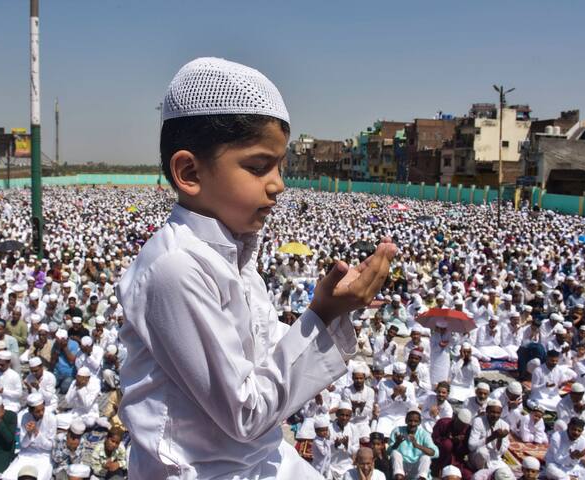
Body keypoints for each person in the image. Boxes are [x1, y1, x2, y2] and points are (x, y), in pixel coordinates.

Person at [116, 57, 396, 479]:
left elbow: (262, 359)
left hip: (260, 462)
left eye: (280, 166)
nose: (278, 184)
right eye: (258, 166)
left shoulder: (234, 256)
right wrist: (322, 316)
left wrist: (328, 309)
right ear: (189, 172)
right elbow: (246, 412)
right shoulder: (175, 268)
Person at [0, 393, 56, 480]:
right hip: (26, 454)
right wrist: (29, 434)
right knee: (9, 477)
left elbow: (50, 446)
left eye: (42, 409)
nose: (41, 413)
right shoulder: (24, 417)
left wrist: (36, 433)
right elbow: (23, 445)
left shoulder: (51, 418)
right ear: (30, 411)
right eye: (37, 411)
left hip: (43, 456)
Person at [387, 409, 438, 480]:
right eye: (410, 420)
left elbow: (435, 453)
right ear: (406, 421)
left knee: (426, 457)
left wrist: (417, 445)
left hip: (417, 468)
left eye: (415, 421)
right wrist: (397, 442)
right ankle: (399, 477)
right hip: (402, 466)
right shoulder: (397, 431)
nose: (412, 424)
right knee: (395, 452)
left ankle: (421, 478)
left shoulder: (424, 434)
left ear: (419, 422)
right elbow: (389, 452)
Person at [468, 400, 509, 471]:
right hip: (477, 455)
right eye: (493, 412)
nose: (495, 415)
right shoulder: (478, 421)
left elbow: (501, 452)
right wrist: (492, 437)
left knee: (506, 473)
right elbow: (471, 446)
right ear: (487, 411)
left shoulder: (505, 425)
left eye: (498, 413)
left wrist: (500, 438)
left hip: (495, 459)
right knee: (483, 453)